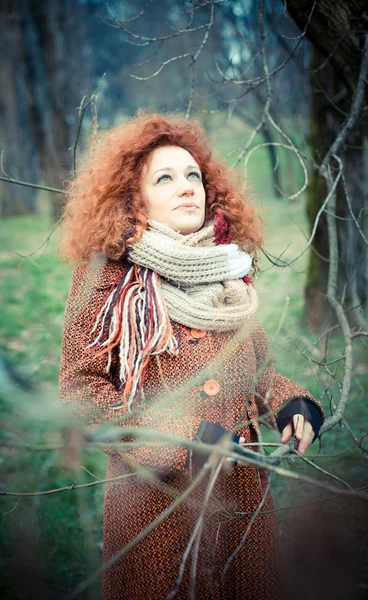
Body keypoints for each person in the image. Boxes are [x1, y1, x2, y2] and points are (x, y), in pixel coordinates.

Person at [58, 113, 324, 600]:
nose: (186, 188)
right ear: (133, 199)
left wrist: (292, 402)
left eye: (193, 176)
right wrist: (181, 438)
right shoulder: (106, 279)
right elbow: (80, 391)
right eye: (164, 178)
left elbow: (256, 369)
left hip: (242, 496)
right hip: (156, 504)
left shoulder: (229, 273)